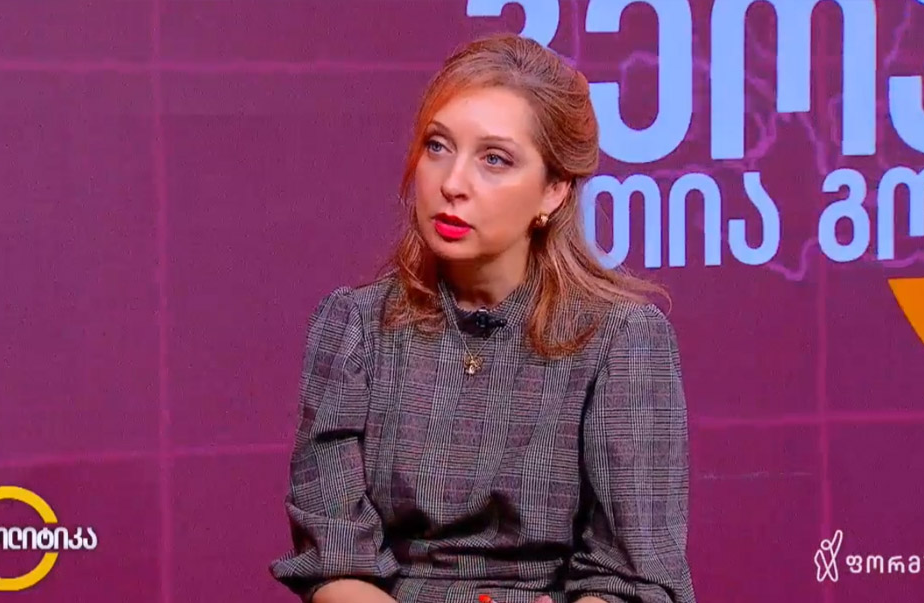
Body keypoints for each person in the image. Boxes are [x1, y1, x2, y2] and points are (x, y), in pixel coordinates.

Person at [269, 32, 696, 603]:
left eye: (494, 159)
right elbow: (334, 558)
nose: (452, 184)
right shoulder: (354, 327)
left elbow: (632, 577)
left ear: (554, 190)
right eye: (438, 146)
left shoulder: (621, 338)